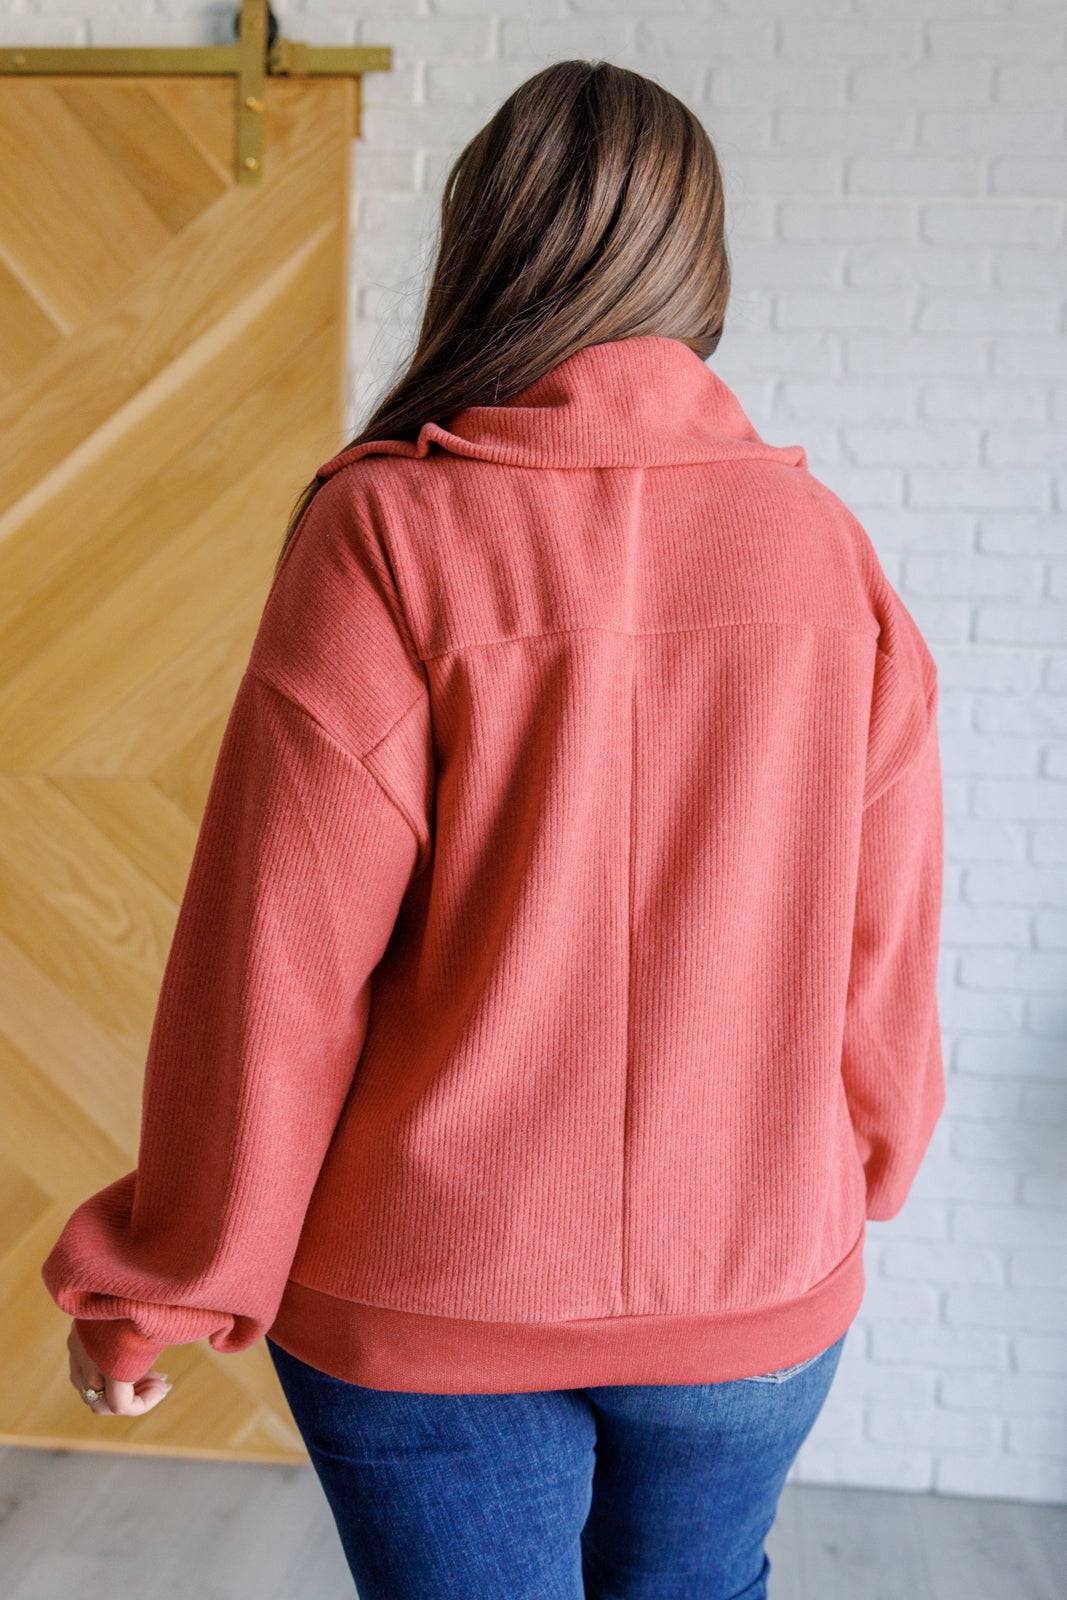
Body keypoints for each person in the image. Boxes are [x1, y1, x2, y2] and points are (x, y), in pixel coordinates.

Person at [41, 58, 945, 1600]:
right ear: (698, 262)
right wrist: (843, 1170)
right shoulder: (823, 549)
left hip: (426, 1296)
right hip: (751, 1287)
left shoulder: (387, 535)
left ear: (487, 243)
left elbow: (278, 974)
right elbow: (887, 939)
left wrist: (167, 1286)